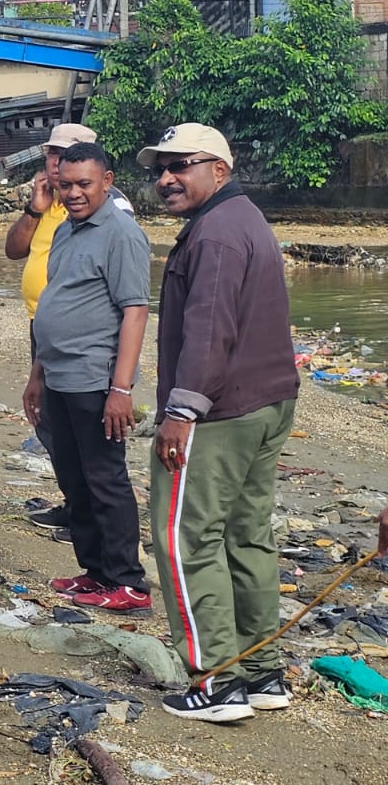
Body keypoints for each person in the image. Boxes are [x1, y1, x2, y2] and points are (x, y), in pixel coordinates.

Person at [141, 124, 300, 723]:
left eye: (181, 165)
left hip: (221, 413)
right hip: (267, 403)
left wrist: (182, 411)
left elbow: (210, 328)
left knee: (185, 539)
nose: (166, 178)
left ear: (219, 171)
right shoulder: (244, 220)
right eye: (161, 167)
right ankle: (262, 671)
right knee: (246, 535)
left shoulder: (216, 234)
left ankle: (216, 683)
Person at [21, 143, 151, 614]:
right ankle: (95, 572)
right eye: (66, 184)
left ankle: (128, 582)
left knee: (105, 478)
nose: (73, 193)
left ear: (107, 181)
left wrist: (121, 389)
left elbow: (135, 311)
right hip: (57, 374)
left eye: (84, 185)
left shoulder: (121, 233)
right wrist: (37, 374)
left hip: (96, 379)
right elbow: (56, 300)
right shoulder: (66, 231)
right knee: (73, 478)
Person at [4, 123, 134, 539]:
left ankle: (115, 561)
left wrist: (122, 386)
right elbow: (14, 251)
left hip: (91, 355)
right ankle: (80, 520)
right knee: (56, 435)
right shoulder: (56, 212)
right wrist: (34, 208)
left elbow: (132, 305)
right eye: (53, 156)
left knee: (97, 456)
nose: (58, 166)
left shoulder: (113, 214)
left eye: (67, 156)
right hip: (49, 345)